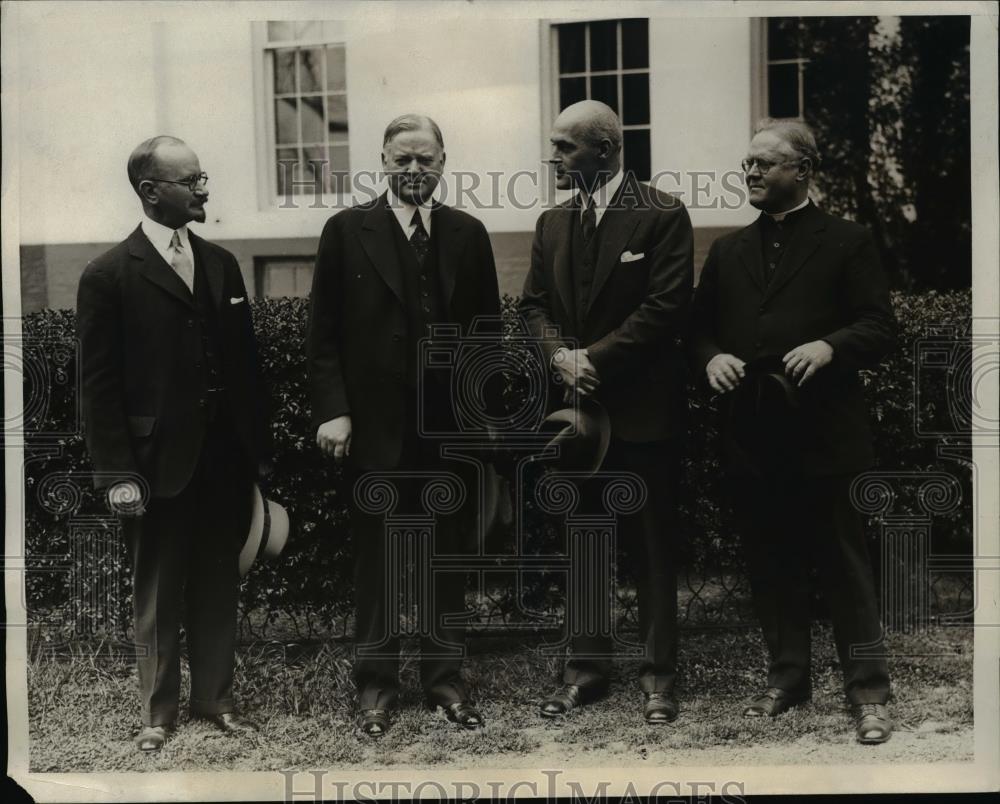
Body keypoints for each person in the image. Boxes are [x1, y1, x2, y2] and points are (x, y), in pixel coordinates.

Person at [689, 118, 896, 744]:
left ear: (803, 171)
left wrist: (832, 347)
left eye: (765, 164)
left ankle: (869, 693)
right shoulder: (727, 251)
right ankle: (788, 679)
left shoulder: (848, 241)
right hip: (753, 433)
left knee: (843, 565)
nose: (750, 172)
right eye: (747, 163)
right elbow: (696, 330)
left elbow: (881, 327)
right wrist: (710, 357)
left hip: (825, 434)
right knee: (771, 560)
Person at [307, 114, 501, 737]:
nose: (414, 171)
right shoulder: (345, 231)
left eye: (425, 160)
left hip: (447, 433)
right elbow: (323, 334)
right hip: (375, 431)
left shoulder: (468, 233)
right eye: (402, 160)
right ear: (382, 160)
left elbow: (486, 335)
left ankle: (445, 683)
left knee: (445, 561)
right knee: (380, 564)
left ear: (444, 160)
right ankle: (376, 689)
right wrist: (335, 410)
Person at [77, 136, 272, 752]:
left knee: (219, 581)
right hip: (155, 467)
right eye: (191, 180)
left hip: (222, 463)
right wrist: (117, 474)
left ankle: (216, 698)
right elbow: (97, 388)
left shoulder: (221, 264)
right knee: (158, 589)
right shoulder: (107, 275)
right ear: (150, 191)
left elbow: (246, 369)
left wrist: (257, 456)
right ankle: (157, 714)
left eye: (203, 177)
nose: (204, 188)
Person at [520, 100, 694, 724]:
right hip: (578, 419)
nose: (555, 158)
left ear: (606, 149)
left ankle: (658, 681)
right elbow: (533, 305)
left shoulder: (663, 214)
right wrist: (561, 358)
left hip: (644, 414)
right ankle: (585, 673)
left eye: (565, 147)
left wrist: (595, 357)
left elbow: (668, 305)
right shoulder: (551, 222)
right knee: (585, 545)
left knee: (650, 549)